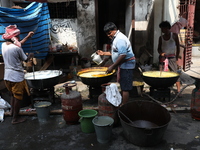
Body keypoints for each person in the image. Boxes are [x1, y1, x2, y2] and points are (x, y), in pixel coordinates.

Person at [2, 25, 34, 124]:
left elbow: (18, 44)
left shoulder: (4, 45)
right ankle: (15, 118)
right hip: (16, 77)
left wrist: (28, 37)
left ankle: (12, 112)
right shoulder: (17, 49)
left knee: (12, 95)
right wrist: (30, 56)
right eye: (18, 36)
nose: (19, 38)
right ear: (14, 37)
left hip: (7, 75)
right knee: (18, 98)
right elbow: (25, 59)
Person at [97, 22, 136, 106]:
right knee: (123, 86)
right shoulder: (116, 38)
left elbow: (123, 55)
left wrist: (112, 66)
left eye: (109, 33)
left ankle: (124, 106)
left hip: (127, 66)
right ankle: (123, 103)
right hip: (123, 65)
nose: (108, 35)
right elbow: (116, 52)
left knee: (125, 88)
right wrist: (104, 53)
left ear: (114, 30)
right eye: (107, 34)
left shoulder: (120, 39)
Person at [157, 21, 181, 96]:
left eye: (163, 28)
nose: (162, 30)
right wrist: (161, 53)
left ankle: (179, 91)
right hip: (163, 58)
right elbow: (158, 49)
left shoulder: (174, 36)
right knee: (162, 74)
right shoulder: (161, 38)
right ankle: (163, 89)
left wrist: (176, 57)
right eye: (161, 29)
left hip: (172, 58)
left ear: (167, 28)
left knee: (175, 74)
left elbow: (178, 47)